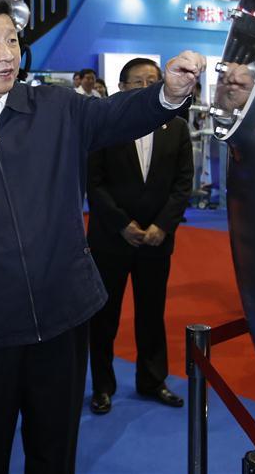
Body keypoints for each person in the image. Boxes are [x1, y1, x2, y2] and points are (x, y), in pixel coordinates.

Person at [0, 0, 205, 474]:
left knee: (55, 448)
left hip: (63, 317)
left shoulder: (58, 109)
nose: (7, 53)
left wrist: (168, 92)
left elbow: (123, 115)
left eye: (13, 40)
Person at [86, 58, 193, 415]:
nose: (147, 86)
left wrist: (162, 226)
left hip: (156, 241)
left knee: (152, 313)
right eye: (138, 82)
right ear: (121, 87)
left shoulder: (176, 128)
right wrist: (122, 224)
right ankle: (102, 386)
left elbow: (182, 185)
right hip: (111, 239)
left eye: (153, 80)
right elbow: (93, 183)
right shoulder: (102, 127)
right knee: (104, 317)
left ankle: (152, 381)